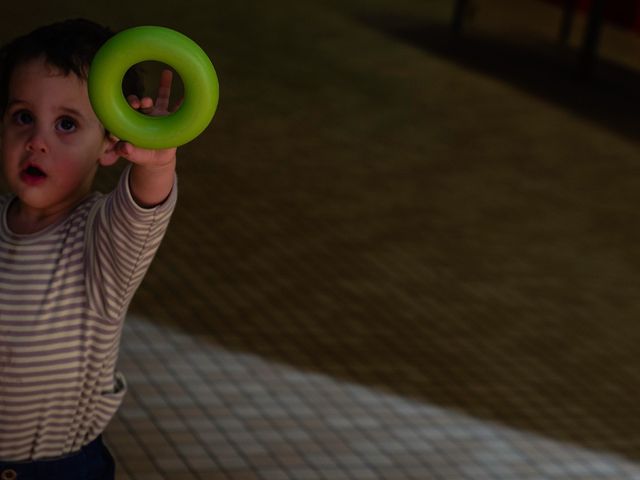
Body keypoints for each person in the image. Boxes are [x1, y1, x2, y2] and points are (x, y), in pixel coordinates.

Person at [0, 18, 179, 479]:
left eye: (66, 124)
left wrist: (156, 161)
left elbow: (143, 210)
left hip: (59, 470)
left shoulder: (99, 240)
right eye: (23, 117)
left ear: (110, 143)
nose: (36, 141)